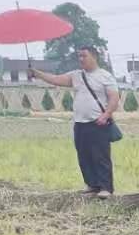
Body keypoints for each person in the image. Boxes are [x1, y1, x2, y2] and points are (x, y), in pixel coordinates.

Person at [30, 47, 120, 196]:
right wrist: (37, 73)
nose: (81, 59)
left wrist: (106, 115)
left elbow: (114, 98)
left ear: (94, 57)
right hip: (80, 123)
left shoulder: (105, 76)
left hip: (99, 122)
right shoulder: (76, 75)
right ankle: (92, 185)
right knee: (84, 156)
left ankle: (105, 187)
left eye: (84, 56)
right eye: (79, 56)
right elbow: (55, 79)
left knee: (100, 156)